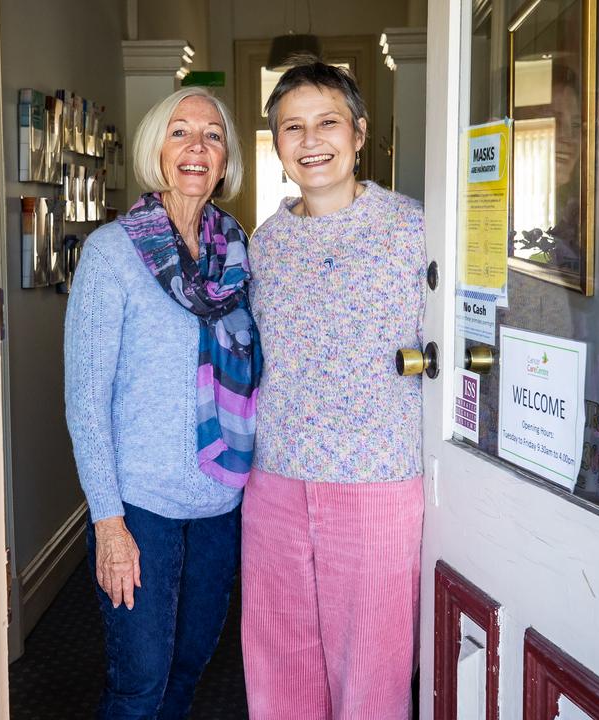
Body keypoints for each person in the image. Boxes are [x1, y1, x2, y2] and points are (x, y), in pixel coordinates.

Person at [64, 86, 260, 719]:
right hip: (138, 508)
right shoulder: (111, 253)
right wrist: (108, 523)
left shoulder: (240, 254)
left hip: (220, 503)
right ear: (156, 150)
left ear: (226, 158)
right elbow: (86, 401)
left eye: (212, 135)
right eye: (180, 132)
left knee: (188, 670)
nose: (196, 147)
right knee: (138, 683)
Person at [241, 58, 426, 719]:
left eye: (327, 122)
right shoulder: (264, 244)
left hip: (377, 478)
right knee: (278, 665)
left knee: (373, 670)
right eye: (292, 126)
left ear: (359, 132)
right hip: (277, 481)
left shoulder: (413, 228)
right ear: (278, 145)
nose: (311, 140)